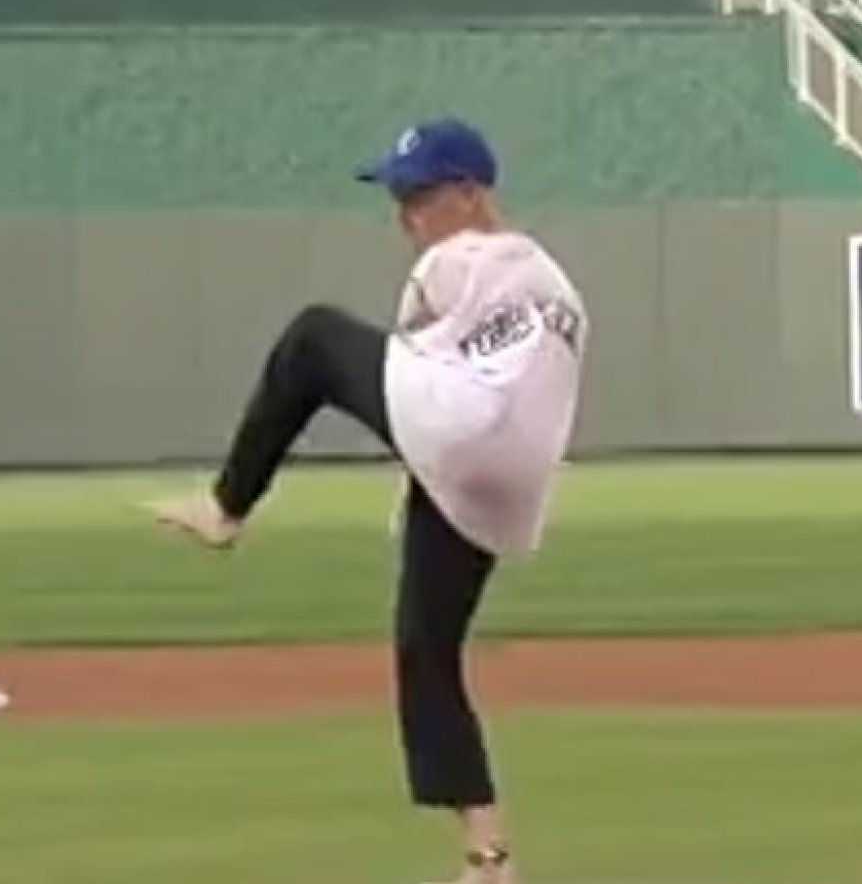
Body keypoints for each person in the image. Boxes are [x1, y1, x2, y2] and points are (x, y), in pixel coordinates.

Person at [143, 116, 589, 884]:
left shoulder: (453, 262)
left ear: (472, 193)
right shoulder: (556, 282)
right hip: (511, 475)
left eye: (419, 195)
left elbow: (413, 363)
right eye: (399, 196)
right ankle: (489, 859)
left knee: (315, 339)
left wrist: (425, 445)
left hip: (459, 435)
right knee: (426, 648)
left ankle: (226, 507)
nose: (406, 215)